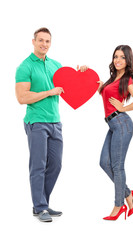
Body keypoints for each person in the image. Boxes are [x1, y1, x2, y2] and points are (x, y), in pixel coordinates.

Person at [15, 27, 88, 222]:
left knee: (55, 165)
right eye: (40, 40)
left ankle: (41, 205)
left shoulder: (56, 65)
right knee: (38, 165)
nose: (44, 44)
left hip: (55, 122)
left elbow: (69, 88)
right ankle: (40, 207)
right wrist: (49, 92)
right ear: (33, 41)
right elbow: (21, 97)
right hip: (36, 121)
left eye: (47, 41)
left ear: (50, 43)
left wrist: (81, 73)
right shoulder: (25, 66)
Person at [98, 45, 133, 220]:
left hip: (122, 123)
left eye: (122, 57)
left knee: (117, 166)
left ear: (128, 61)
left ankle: (119, 205)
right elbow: (103, 94)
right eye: (116, 56)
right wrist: (99, 85)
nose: (118, 60)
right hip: (113, 125)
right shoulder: (112, 79)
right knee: (104, 163)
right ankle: (128, 194)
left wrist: (124, 107)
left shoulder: (127, 80)